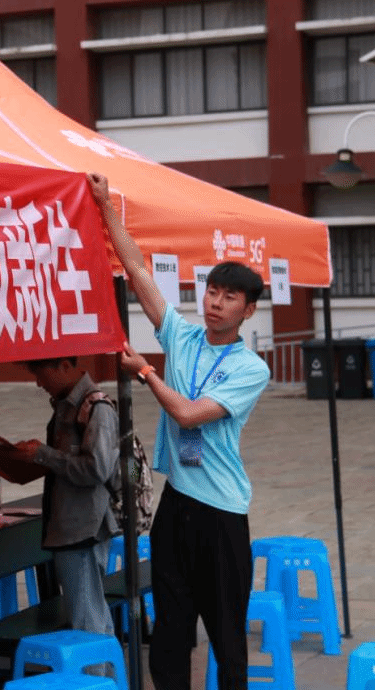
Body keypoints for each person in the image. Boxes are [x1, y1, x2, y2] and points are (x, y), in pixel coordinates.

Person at [87, 171, 270, 690]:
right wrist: (105, 205)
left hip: (222, 515)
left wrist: (145, 371)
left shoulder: (251, 368)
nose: (215, 302)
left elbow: (188, 415)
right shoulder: (183, 337)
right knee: (169, 626)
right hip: (177, 505)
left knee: (227, 636)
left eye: (229, 297)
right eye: (212, 291)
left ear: (248, 310)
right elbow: (138, 270)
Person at [16, 357, 119, 636]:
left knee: (87, 621)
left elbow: (96, 469)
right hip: (72, 524)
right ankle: (106, 664)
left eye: (41, 375)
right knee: (92, 613)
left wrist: (44, 454)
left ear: (63, 366)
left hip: (83, 527)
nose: (39, 383)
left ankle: (96, 666)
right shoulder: (68, 405)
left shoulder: (95, 408)